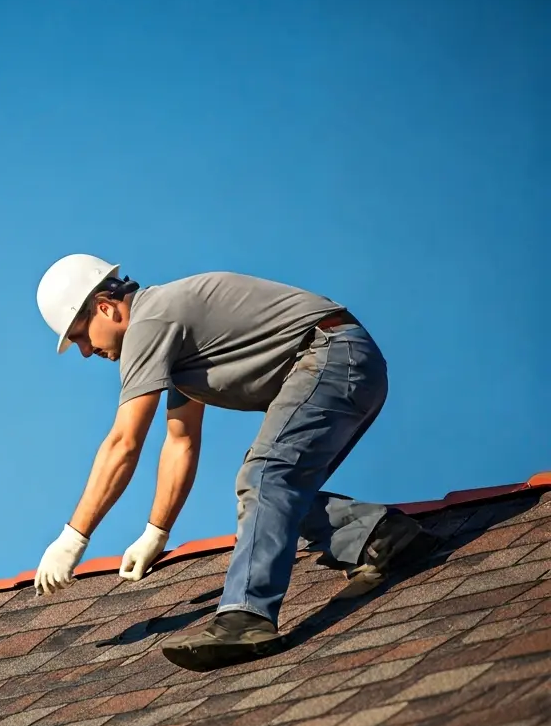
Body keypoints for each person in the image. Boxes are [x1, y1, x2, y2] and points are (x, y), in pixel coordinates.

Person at [31, 254, 423, 672]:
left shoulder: (150, 322)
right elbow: (180, 441)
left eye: (80, 336)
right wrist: (155, 532)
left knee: (265, 476)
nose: (87, 352)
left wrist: (73, 538)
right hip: (348, 360)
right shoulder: (170, 331)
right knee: (273, 494)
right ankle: (378, 536)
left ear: (106, 307)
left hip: (332, 355)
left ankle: (246, 617)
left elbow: (125, 442)